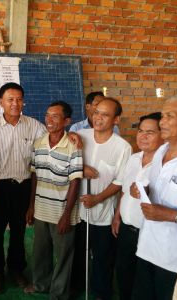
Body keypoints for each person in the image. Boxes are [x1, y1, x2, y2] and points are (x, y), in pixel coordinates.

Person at [0, 82, 47, 294]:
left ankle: (17, 269)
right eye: (10, 99)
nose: (15, 103)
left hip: (24, 187)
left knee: (19, 231)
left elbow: (50, 145)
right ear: (1, 103)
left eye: (19, 99)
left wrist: (73, 137)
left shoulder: (35, 126)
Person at [131, 93, 177, 300]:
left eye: (170, 116)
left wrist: (171, 215)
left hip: (176, 259)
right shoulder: (161, 152)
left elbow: (169, 212)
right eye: (162, 116)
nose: (162, 122)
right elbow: (156, 189)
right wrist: (143, 191)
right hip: (146, 247)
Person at [71, 97, 131, 300]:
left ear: (116, 120)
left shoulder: (122, 147)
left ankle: (101, 293)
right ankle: (77, 285)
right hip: (78, 211)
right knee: (78, 252)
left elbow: (120, 181)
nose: (98, 118)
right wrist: (81, 166)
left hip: (104, 213)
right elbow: (64, 150)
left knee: (103, 258)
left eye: (105, 114)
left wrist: (97, 198)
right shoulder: (81, 134)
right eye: (96, 112)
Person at [25, 101, 83, 299]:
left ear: (67, 121)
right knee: (40, 251)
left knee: (63, 255)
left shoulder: (73, 146)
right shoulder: (39, 143)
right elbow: (35, 175)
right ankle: (41, 284)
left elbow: (76, 181)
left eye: (55, 116)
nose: (49, 120)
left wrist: (67, 215)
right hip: (41, 208)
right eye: (47, 115)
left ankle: (58, 293)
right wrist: (31, 206)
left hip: (62, 212)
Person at [111, 112, 164, 300]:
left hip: (149, 233)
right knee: (124, 274)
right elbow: (125, 191)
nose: (143, 136)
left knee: (144, 282)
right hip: (126, 227)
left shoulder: (166, 164)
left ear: (163, 134)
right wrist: (117, 216)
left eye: (150, 132)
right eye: (141, 131)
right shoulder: (134, 158)